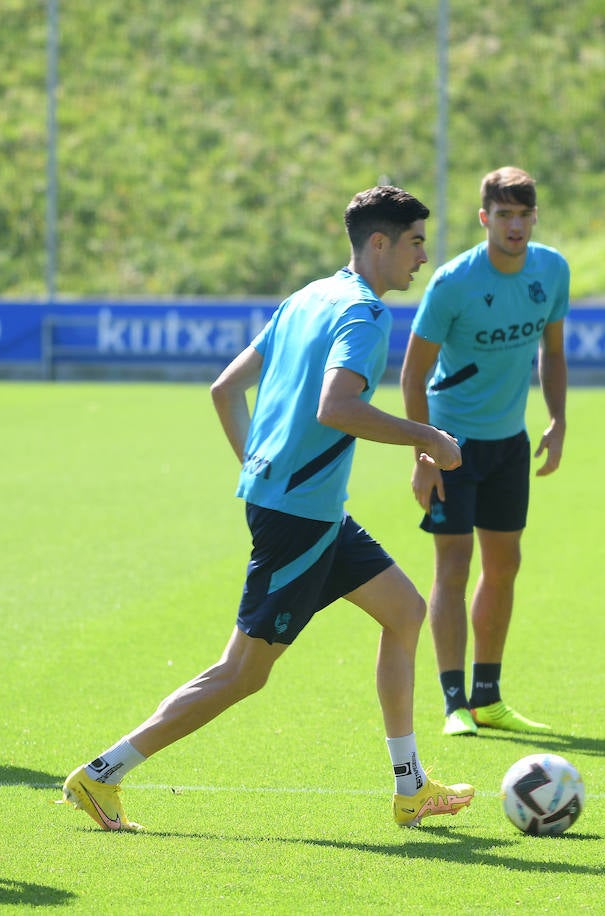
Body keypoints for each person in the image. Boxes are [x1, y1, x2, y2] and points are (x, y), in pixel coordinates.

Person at [62, 186, 475, 830]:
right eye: (416, 242)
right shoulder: (365, 314)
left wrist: (256, 467)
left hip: (308, 510)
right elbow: (337, 408)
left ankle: (410, 787)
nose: (424, 256)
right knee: (242, 674)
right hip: (300, 518)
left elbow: (225, 389)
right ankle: (101, 774)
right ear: (380, 243)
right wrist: (428, 438)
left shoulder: (308, 297)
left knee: (404, 611)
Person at [399, 166, 570, 737]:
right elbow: (412, 375)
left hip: (509, 444)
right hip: (452, 444)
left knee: (504, 565)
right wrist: (424, 455)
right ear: (484, 218)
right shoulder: (453, 282)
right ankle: (454, 703)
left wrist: (558, 419)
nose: (514, 226)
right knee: (453, 565)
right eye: (504, 215)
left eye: (524, 215)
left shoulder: (552, 270)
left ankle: (488, 697)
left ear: (535, 218)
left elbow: (553, 352)